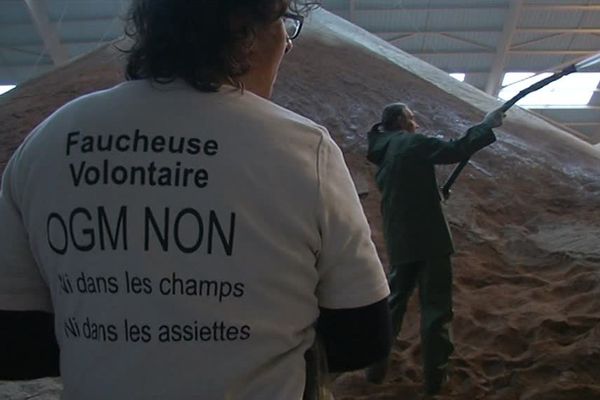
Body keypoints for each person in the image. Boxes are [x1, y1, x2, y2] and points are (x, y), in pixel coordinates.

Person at [0, 1, 392, 399]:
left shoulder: (47, 144)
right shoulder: (305, 150)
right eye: (285, 25)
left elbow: (16, 346)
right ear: (242, 26)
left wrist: (120, 344)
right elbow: (364, 336)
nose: (287, 45)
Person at [364, 102, 504, 396]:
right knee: (436, 309)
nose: (416, 123)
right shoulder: (410, 142)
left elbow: (406, 188)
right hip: (430, 238)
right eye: (412, 118)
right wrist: (487, 126)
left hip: (402, 239)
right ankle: (435, 379)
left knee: (395, 303)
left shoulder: (386, 151)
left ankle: (375, 369)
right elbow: (454, 150)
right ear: (401, 120)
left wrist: (434, 195)